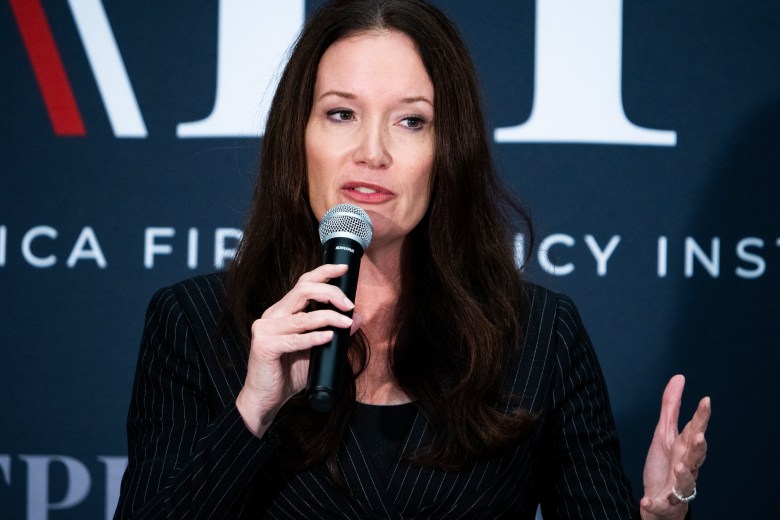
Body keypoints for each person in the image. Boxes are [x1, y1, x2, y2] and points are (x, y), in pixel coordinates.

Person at [114, 0, 710, 518]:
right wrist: (252, 412)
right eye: (341, 113)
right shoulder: (195, 323)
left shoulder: (540, 336)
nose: (371, 152)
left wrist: (663, 516)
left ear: (449, 150)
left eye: (410, 121)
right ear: (299, 136)